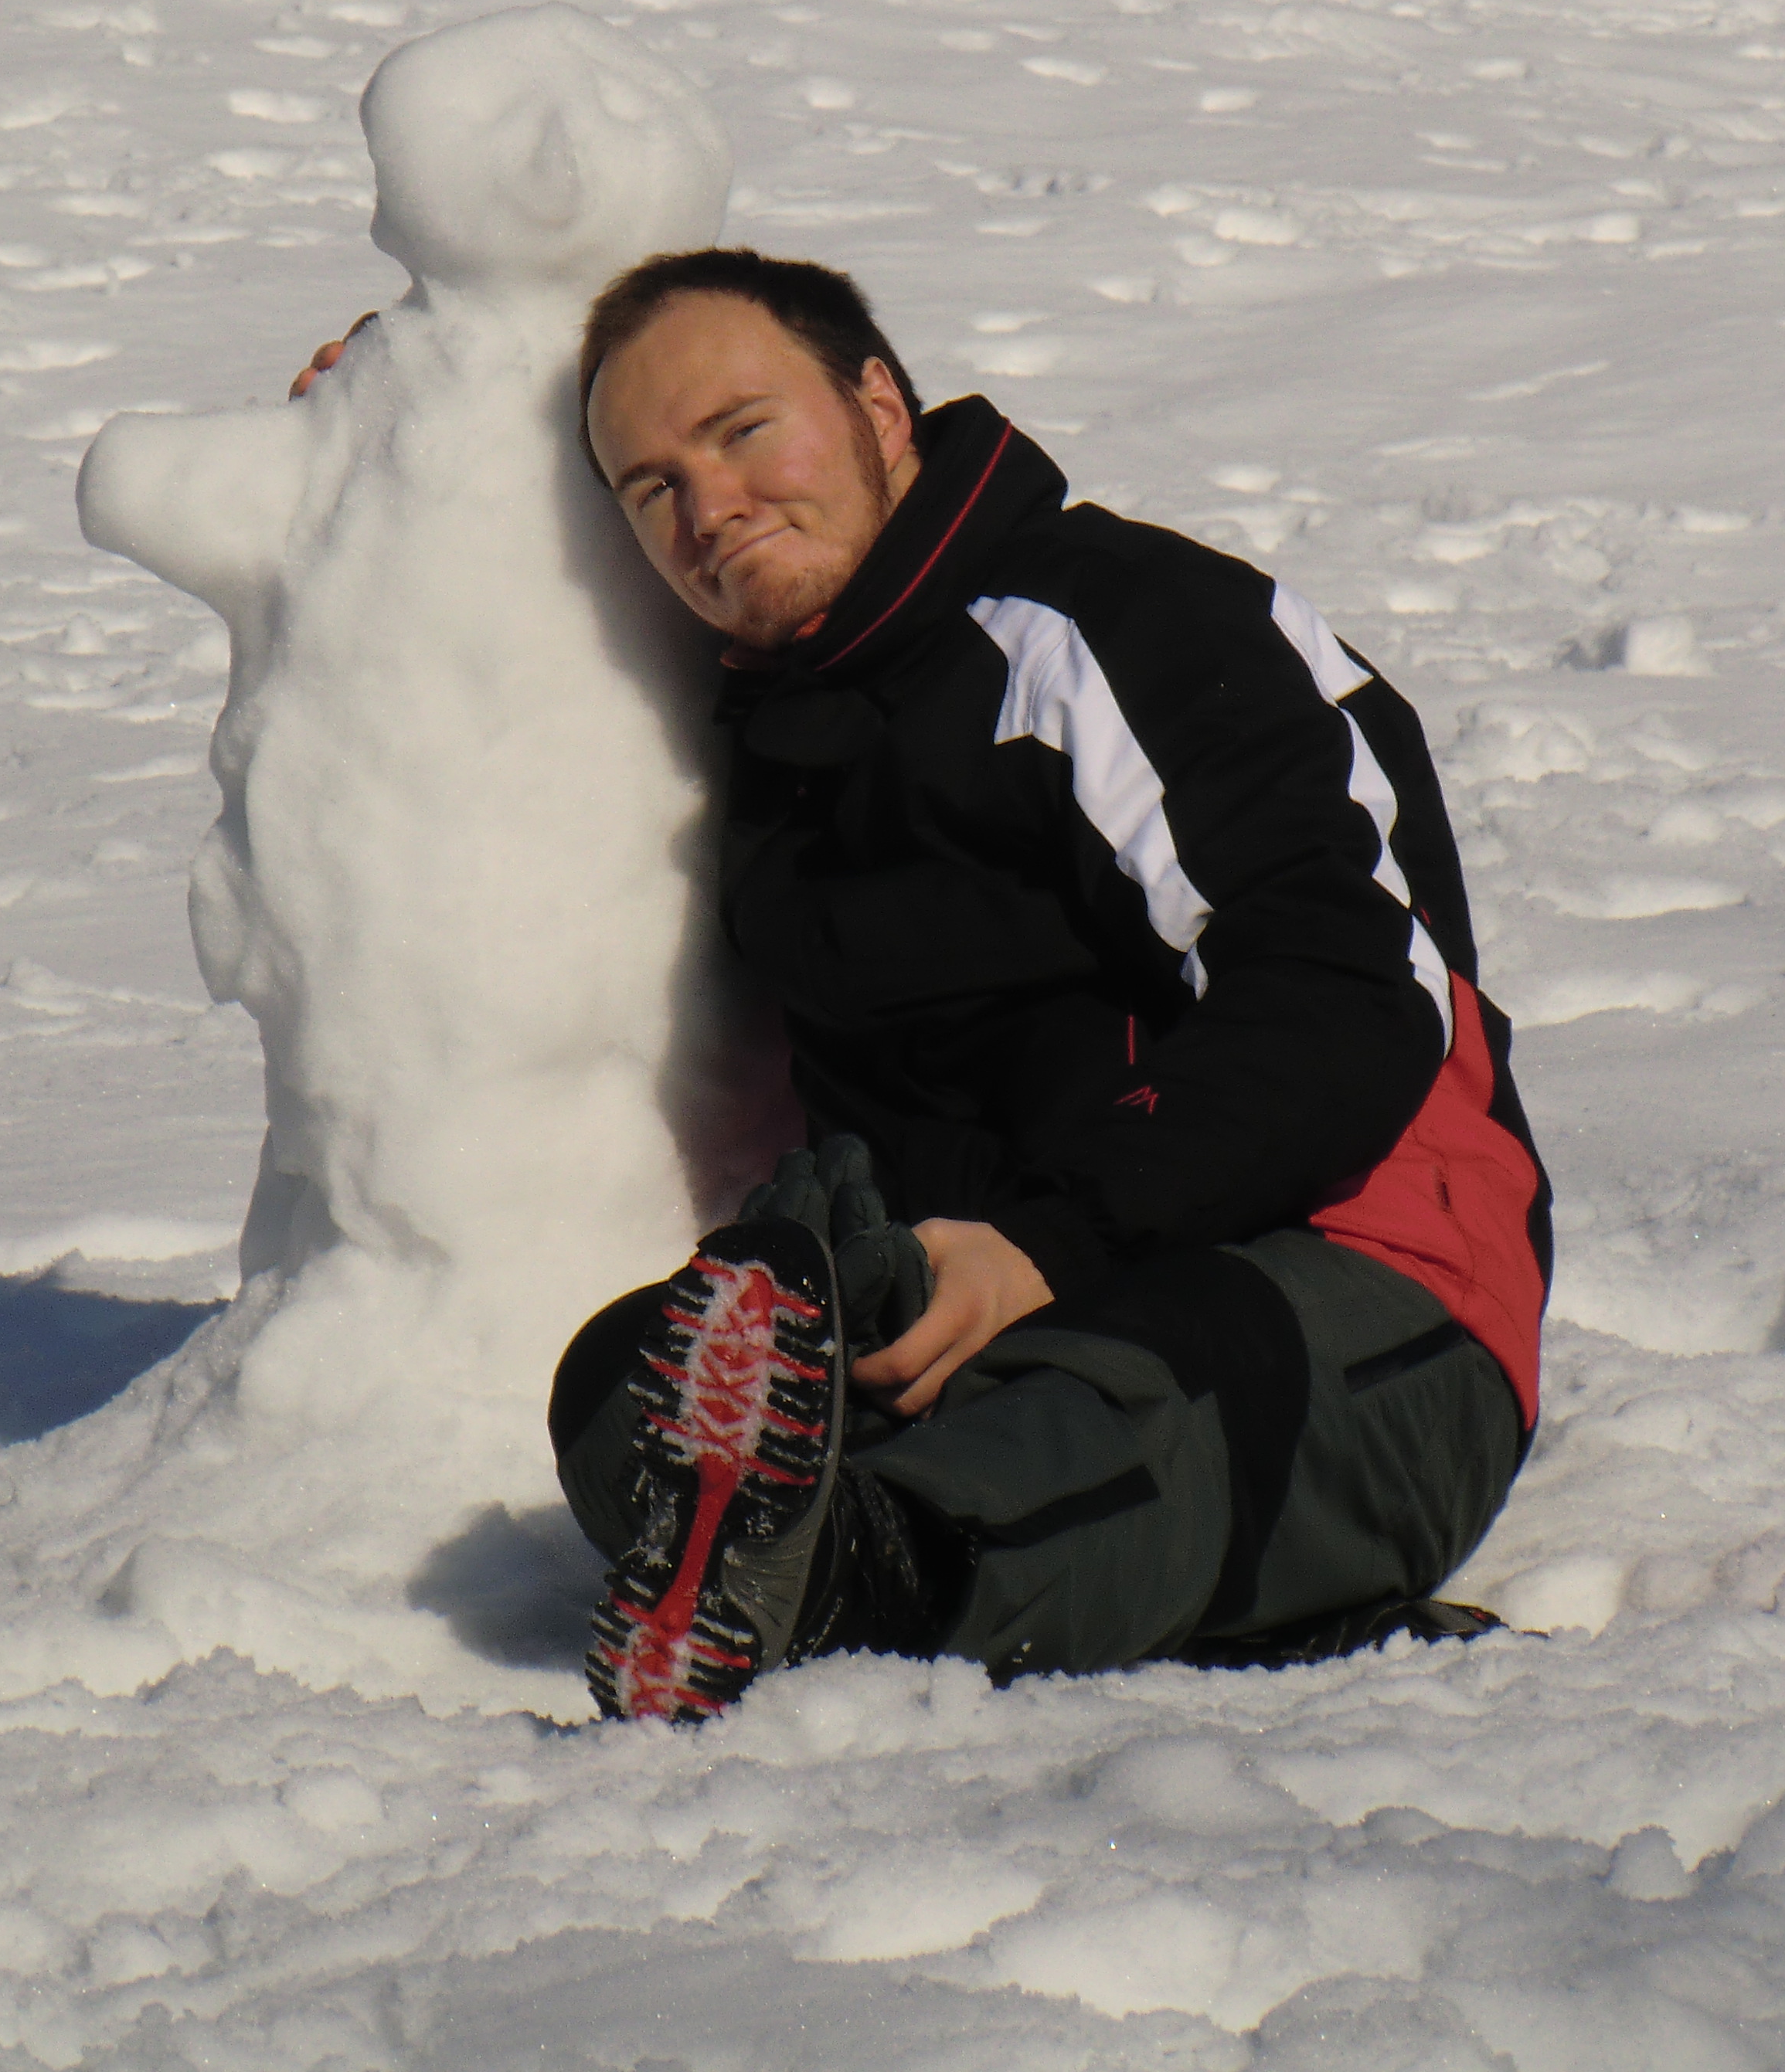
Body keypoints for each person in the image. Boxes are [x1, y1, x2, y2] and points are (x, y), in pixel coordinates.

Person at [306, 250, 1555, 1720]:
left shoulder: (1119, 623)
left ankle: (847, 1582)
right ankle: (846, 1565)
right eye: (651, 490)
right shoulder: (779, 742)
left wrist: (1051, 1241)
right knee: (620, 1386)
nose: (710, 510)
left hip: (1359, 1289)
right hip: (998, 1313)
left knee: (1121, 1405)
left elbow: (1348, 1000)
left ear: (881, 408)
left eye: (744, 432)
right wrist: (411, 423)